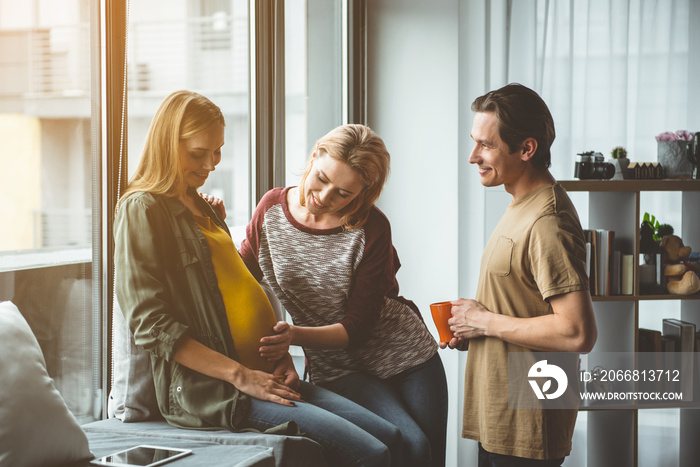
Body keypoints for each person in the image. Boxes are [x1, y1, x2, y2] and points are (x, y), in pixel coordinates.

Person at [113, 90, 403, 467]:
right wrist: (241, 376)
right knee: (373, 453)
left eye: (217, 151)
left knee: (393, 438)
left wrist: (281, 356)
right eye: (199, 154)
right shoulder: (142, 208)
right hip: (223, 389)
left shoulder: (198, 202)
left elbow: (235, 286)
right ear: (168, 144)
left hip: (267, 373)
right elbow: (151, 325)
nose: (211, 164)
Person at [236, 124, 449, 467]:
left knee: (425, 457)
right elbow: (239, 279)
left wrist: (292, 336)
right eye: (321, 179)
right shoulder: (271, 211)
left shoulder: (371, 227)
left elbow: (357, 328)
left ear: (363, 194)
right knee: (409, 445)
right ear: (316, 153)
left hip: (408, 356)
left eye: (343, 194)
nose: (324, 196)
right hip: (337, 367)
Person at [442, 83, 598, 466]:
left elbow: (577, 332)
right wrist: (473, 329)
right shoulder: (520, 203)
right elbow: (523, 303)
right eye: (474, 142)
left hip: (527, 423)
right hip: (501, 417)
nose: (472, 156)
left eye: (486, 145)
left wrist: (485, 322)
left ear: (526, 149)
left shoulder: (548, 221)